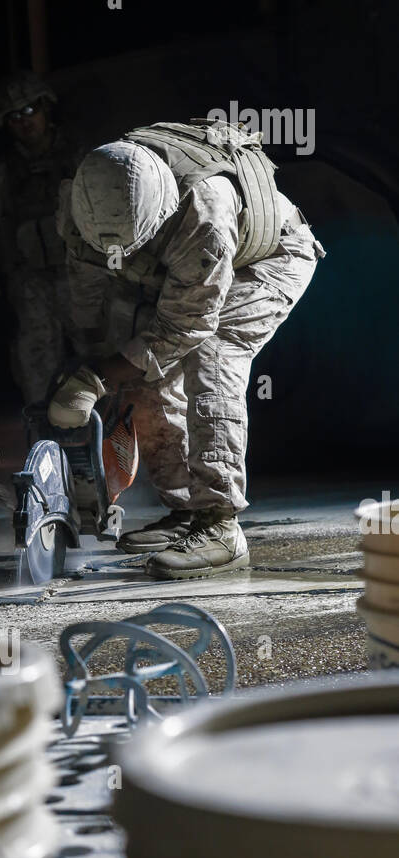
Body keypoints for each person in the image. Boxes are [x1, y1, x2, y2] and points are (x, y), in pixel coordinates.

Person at [49, 120, 325, 577]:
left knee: (212, 356)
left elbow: (188, 326)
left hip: (269, 259)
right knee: (139, 370)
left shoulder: (203, 210)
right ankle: (184, 510)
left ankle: (220, 526)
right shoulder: (85, 203)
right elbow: (88, 296)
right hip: (186, 270)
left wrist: (98, 378)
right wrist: (92, 364)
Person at [0, 71, 77, 405]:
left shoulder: (80, 157)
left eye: (30, 110)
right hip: (29, 286)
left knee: (102, 368)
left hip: (82, 279)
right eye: (14, 116)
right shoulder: (1, 174)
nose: (24, 121)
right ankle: (47, 449)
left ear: (46, 107)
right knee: (38, 380)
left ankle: (112, 447)